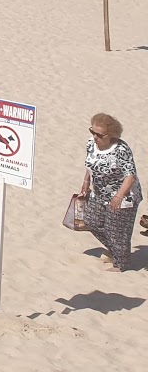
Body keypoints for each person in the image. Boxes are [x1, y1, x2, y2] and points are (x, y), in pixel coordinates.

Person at [80, 114, 139, 272]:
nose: (95, 136)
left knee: (116, 231)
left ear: (111, 135)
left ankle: (121, 264)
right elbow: (90, 163)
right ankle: (118, 251)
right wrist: (86, 182)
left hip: (123, 196)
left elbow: (130, 175)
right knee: (91, 221)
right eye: (92, 131)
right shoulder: (91, 144)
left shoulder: (121, 149)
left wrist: (118, 196)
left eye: (99, 134)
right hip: (100, 194)